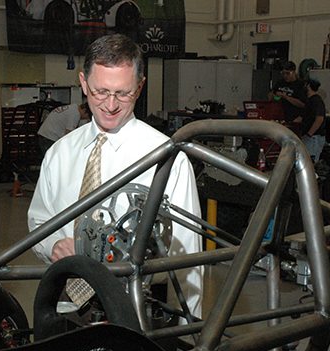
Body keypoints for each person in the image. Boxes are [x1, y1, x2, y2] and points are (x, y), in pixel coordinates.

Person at [27, 33, 204, 317]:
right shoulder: (60, 153)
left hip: (134, 308)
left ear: (140, 86)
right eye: (100, 92)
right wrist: (53, 246)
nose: (110, 105)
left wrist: (189, 336)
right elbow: (39, 219)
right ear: (83, 83)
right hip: (63, 301)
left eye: (123, 93)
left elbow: (188, 262)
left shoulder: (168, 159)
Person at [299, 79, 327, 162]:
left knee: (310, 163)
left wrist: (309, 134)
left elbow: (319, 119)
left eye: (305, 85)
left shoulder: (316, 101)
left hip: (314, 138)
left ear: (309, 86)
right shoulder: (310, 101)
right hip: (310, 137)